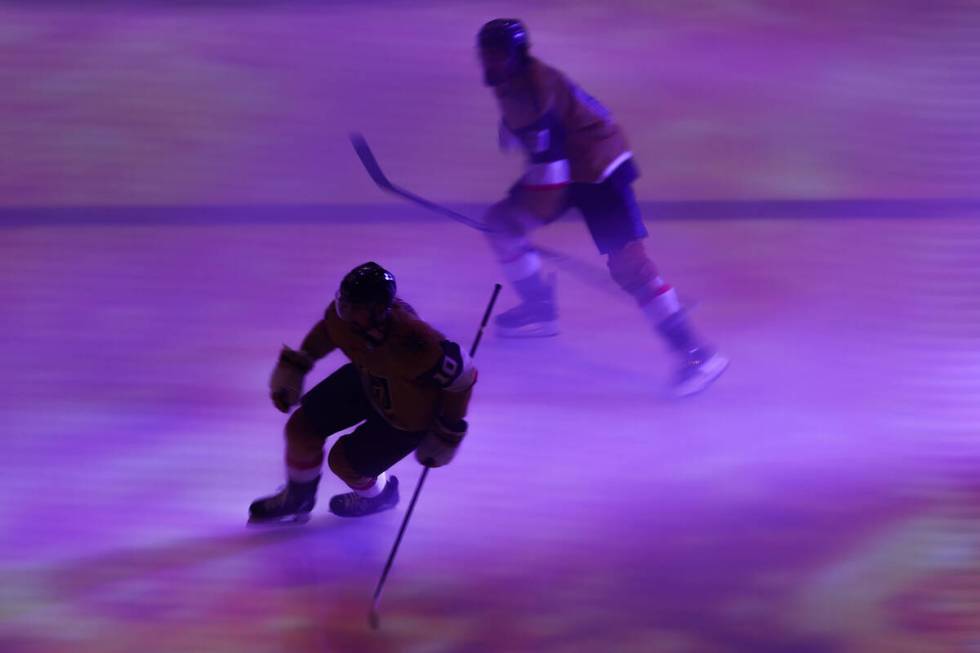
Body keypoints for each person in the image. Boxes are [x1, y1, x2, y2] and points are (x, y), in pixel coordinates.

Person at [477, 18, 728, 396]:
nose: (490, 64)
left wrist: (526, 218)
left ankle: (696, 354)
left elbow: (551, 176)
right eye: (486, 56)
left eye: (497, 56)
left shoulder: (535, 93)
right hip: (572, 167)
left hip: (599, 171)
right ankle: (539, 309)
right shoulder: (511, 80)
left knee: (630, 267)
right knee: (503, 224)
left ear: (516, 55)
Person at [248, 262, 477, 523]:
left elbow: (463, 377)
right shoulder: (345, 319)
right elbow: (328, 330)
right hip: (369, 379)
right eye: (344, 302)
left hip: (407, 418)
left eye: (354, 306)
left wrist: (448, 430)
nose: (343, 310)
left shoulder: (415, 343)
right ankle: (298, 496)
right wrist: (300, 362)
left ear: (378, 310)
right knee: (301, 429)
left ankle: (380, 496)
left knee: (344, 463)